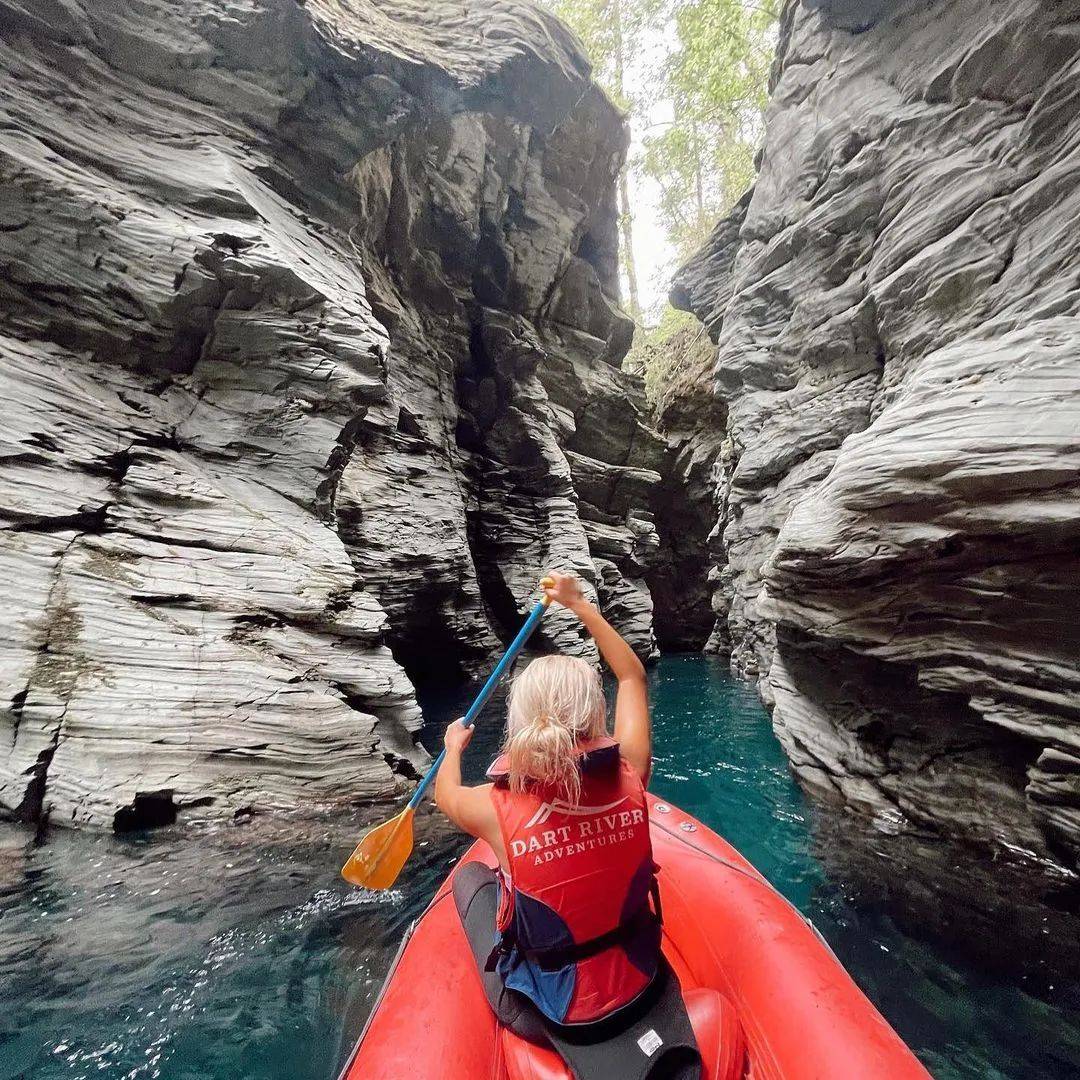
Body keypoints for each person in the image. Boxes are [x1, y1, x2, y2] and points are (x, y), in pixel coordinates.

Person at [434, 571, 660, 1035]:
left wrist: (453, 747)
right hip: (642, 979)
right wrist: (580, 605)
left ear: (520, 718)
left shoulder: (491, 808)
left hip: (548, 1014)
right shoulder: (631, 771)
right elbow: (632, 675)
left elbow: (444, 795)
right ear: (595, 710)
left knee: (471, 878)